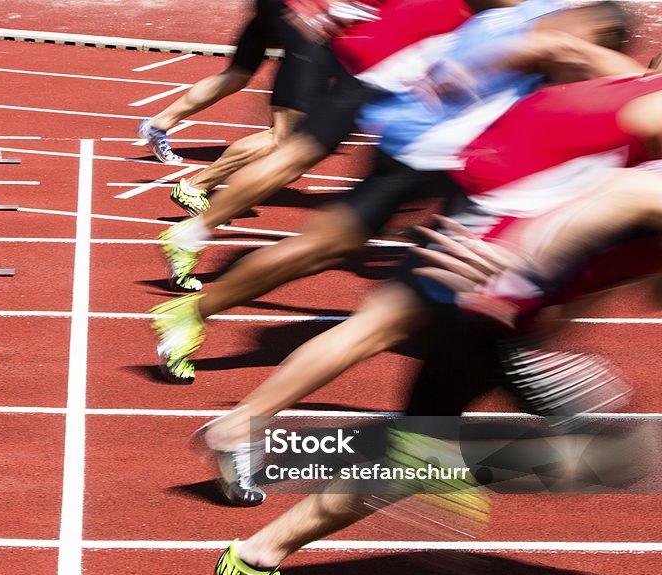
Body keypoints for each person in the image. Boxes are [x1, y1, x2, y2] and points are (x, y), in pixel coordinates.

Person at [203, 69, 662, 507]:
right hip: (505, 222)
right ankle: (260, 445)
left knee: (393, 337)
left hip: (505, 203)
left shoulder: (624, 78)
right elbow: (614, 175)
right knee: (392, 335)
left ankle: (260, 438)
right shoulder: (641, 100)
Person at [151, 0, 637, 384]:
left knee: (331, 254)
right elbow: (557, 57)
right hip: (436, 157)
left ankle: (194, 311)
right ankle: (227, 383)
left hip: (426, 147)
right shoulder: (556, 32)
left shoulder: (526, 14)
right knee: (364, 283)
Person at [136, 0, 362, 172]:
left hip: (271, 7)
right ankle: (206, 184)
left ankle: (158, 123)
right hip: (300, 14)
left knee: (237, 74)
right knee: (283, 134)